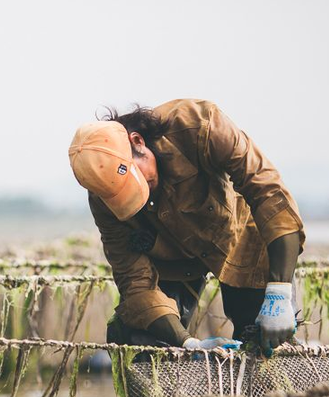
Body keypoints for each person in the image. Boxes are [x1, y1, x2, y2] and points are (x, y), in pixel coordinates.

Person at [68, 99, 305, 356]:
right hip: (172, 259)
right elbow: (135, 282)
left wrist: (280, 290)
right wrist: (188, 343)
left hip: (237, 236)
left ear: (138, 142)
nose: (143, 193)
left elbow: (267, 191)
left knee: (266, 337)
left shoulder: (198, 124)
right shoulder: (103, 200)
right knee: (140, 336)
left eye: (139, 181)